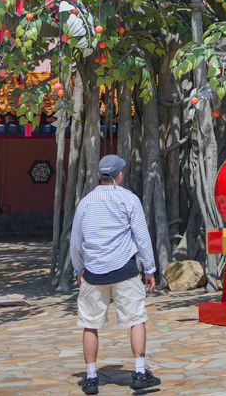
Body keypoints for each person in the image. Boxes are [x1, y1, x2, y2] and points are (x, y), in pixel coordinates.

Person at [70, 155, 161, 394]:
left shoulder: (85, 203)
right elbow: (142, 237)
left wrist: (78, 269)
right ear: (120, 175)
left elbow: (76, 242)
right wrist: (149, 269)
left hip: (93, 274)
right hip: (125, 270)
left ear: (99, 176)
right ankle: (140, 373)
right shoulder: (129, 199)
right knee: (136, 319)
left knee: (90, 324)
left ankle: (91, 378)